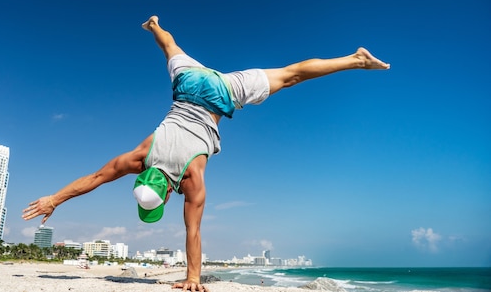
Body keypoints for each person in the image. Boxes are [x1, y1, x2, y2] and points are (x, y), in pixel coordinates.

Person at [22, 16, 390, 292]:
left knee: (291, 76)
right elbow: (94, 179)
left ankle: (355, 60)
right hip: (192, 82)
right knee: (169, 47)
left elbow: (193, 231)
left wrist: (193, 278)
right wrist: (53, 198)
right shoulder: (139, 157)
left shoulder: (191, 180)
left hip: (222, 93)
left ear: (166, 192)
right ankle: (154, 25)